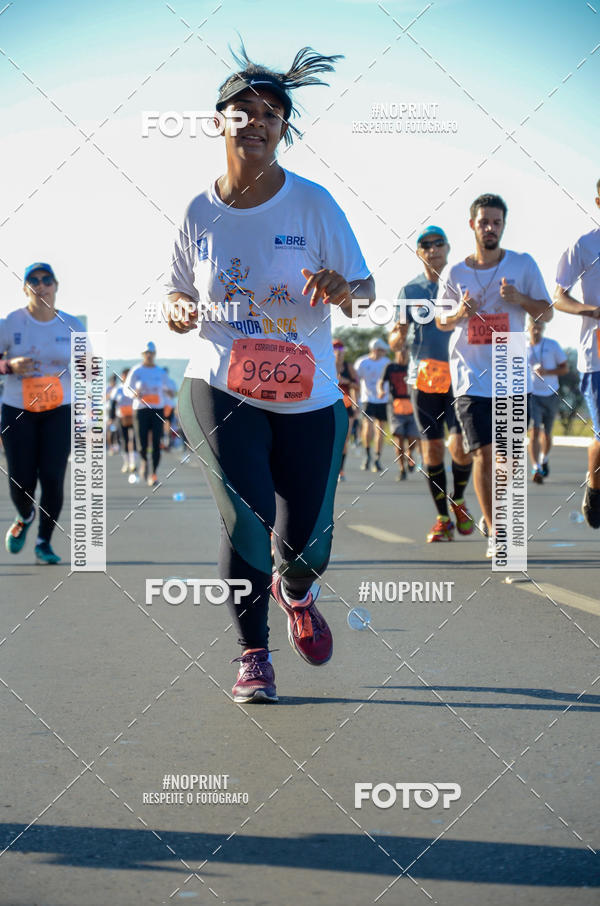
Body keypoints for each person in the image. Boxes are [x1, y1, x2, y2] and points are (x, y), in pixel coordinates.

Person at [165, 44, 375, 703]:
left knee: (306, 545)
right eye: (242, 112)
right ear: (219, 121)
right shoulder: (199, 212)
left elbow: (366, 293)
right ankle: (253, 654)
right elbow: (174, 291)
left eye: (271, 113)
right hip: (220, 384)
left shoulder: (312, 204)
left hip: (308, 396)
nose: (256, 122)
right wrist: (177, 309)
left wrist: (345, 289)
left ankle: (299, 588)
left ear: (283, 128)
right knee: (246, 519)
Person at [436, 194, 553, 557]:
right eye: (484, 221)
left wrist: (520, 299)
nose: (490, 228)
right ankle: (499, 536)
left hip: (512, 377)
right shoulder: (455, 272)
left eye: (496, 222)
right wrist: (460, 312)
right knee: (485, 456)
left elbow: (546, 312)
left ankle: (495, 516)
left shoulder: (523, 265)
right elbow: (441, 320)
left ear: (504, 225)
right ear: (472, 224)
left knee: (510, 460)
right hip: (470, 378)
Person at [390, 226, 474, 542]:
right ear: (419, 252)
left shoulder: (462, 282)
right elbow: (396, 332)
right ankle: (442, 518)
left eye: (439, 243)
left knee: (461, 446)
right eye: (426, 244)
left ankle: (460, 499)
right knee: (434, 448)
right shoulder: (409, 291)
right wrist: (396, 337)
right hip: (423, 376)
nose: (433, 249)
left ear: (448, 248)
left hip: (460, 374)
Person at [0, 262, 86, 564]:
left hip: (58, 410)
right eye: (33, 280)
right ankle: (25, 516)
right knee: (20, 479)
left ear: (56, 285)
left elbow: (88, 370)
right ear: (25, 288)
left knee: (52, 476)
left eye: (46, 279)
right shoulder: (10, 323)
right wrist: (9, 366)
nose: (41, 284)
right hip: (18, 409)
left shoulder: (73, 324)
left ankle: (44, 542)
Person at [554, 178, 600, 526]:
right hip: (596, 356)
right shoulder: (583, 246)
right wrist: (590, 310)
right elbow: (559, 296)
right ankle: (595, 488)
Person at [123, 342, 173, 487]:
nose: (149, 355)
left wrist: (169, 392)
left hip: (157, 409)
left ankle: (154, 473)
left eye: (151, 353)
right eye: (147, 353)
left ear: (155, 354)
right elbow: (126, 388)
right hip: (140, 410)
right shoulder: (136, 371)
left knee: (157, 443)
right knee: (142, 444)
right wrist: (134, 393)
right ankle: (144, 461)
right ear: (143, 355)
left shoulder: (160, 372)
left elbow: (170, 388)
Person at [526, 318, 568, 484]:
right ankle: (536, 467)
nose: (537, 330)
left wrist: (548, 371)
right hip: (532, 395)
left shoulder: (552, 345)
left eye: (540, 327)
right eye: (534, 327)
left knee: (547, 434)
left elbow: (565, 368)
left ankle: (544, 458)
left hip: (551, 394)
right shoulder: (522, 346)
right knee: (534, 431)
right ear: (528, 327)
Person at [376, 345, 419, 480]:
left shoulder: (413, 367)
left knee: (412, 438)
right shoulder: (390, 367)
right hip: (395, 406)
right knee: (398, 438)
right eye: (400, 351)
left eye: (405, 351)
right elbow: (381, 382)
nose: (403, 354)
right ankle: (402, 469)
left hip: (412, 406)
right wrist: (380, 390)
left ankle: (410, 454)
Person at [354, 338, 390, 472]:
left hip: (383, 400)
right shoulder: (362, 362)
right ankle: (367, 455)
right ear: (375, 350)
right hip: (367, 399)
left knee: (380, 429)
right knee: (367, 427)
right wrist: (355, 401)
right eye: (381, 350)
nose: (384, 352)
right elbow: (356, 382)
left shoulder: (387, 363)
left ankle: (377, 458)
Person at [333, 338, 358, 481]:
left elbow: (357, 386)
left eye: (340, 349)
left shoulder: (349, 368)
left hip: (346, 406)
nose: (338, 352)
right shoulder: (325, 365)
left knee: (344, 439)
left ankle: (340, 469)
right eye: (335, 349)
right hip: (329, 406)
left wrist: (346, 382)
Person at [111, 367, 137, 474]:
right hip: (121, 417)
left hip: (134, 417)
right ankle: (126, 463)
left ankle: (133, 463)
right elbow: (113, 404)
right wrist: (112, 418)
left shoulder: (135, 388)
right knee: (124, 440)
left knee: (135, 440)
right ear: (122, 377)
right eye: (125, 375)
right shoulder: (118, 389)